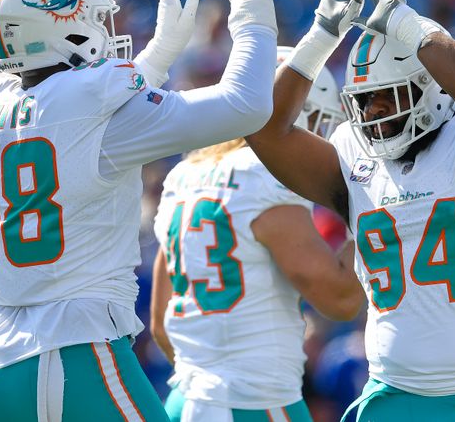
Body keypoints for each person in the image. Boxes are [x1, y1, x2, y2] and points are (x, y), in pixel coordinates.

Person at [0, 0, 278, 421]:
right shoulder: (88, 104)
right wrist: (254, 5)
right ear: (63, 26)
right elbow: (246, 104)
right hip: (72, 353)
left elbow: (69, 122)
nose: (108, 32)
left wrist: (155, 59)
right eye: (94, 19)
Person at [246, 0, 455, 421]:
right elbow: (265, 130)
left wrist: (409, 25)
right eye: (363, 104)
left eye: (386, 98)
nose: (372, 117)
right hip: (394, 395)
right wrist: (322, 34)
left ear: (430, 86)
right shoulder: (353, 152)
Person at [149, 47, 363, 422]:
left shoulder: (183, 176)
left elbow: (160, 324)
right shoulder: (264, 176)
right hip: (255, 402)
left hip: (185, 399)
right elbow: (340, 298)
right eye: (319, 123)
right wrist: (372, 216)